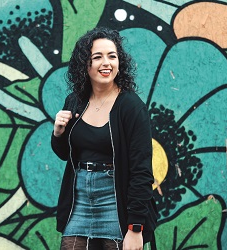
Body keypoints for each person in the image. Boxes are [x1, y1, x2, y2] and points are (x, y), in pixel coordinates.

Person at [51, 27, 157, 250]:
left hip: (115, 202)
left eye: (112, 56)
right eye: (97, 57)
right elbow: (66, 154)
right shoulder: (75, 101)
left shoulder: (131, 107)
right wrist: (58, 134)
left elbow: (142, 170)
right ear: (84, 64)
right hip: (79, 201)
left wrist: (135, 227)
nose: (106, 63)